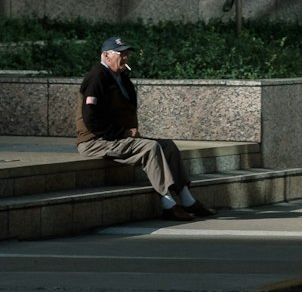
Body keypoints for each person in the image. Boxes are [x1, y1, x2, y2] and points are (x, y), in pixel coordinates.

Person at [76, 36, 215, 221]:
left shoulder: (120, 78)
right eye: (121, 54)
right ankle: (168, 204)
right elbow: (91, 118)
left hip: (115, 138)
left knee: (168, 147)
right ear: (106, 56)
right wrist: (122, 133)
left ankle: (187, 199)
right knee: (150, 148)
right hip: (95, 142)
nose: (125, 58)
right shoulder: (96, 77)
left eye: (126, 54)